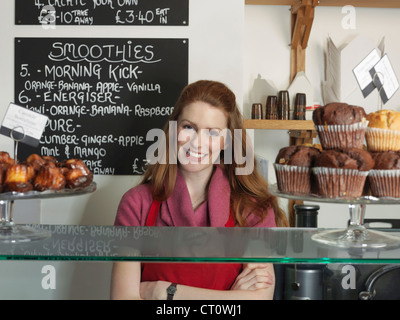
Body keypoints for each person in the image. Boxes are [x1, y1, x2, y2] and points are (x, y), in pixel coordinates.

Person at [111, 80, 288, 300]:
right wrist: (230, 298)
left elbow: (260, 298)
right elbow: (123, 298)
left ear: (227, 141)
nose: (197, 143)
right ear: (174, 129)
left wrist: (164, 292)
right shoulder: (136, 203)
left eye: (212, 133)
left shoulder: (252, 207)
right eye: (189, 127)